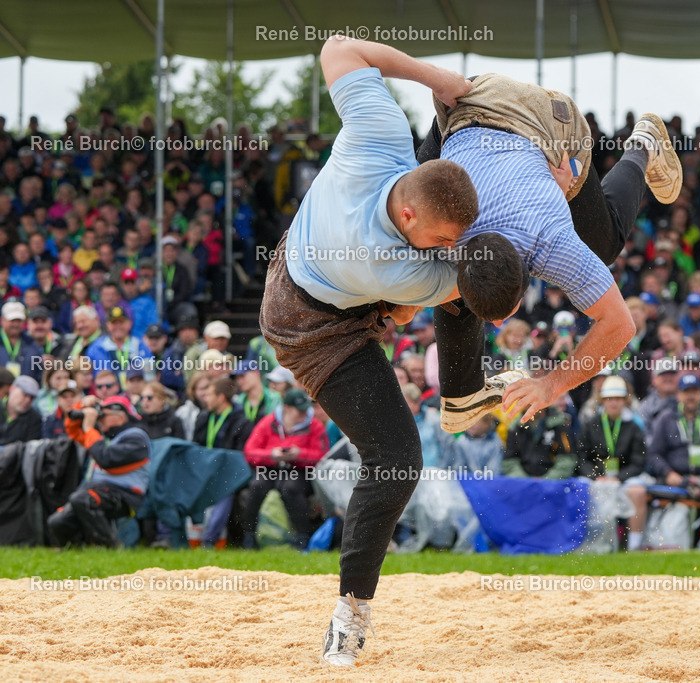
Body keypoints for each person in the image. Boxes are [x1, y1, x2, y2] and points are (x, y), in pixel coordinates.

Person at [257, 37, 479, 668]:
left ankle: (462, 395)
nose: (445, 247)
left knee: (447, 286)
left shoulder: (381, 130)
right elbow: (473, 291)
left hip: (322, 261)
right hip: (307, 325)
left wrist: (435, 78)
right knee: (397, 456)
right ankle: (349, 615)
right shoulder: (394, 265)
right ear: (408, 214)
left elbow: (337, 47)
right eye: (439, 239)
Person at [416, 64, 681, 436]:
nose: (497, 325)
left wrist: (550, 385)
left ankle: (643, 146)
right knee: (436, 255)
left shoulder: (552, 243)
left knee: (603, 247)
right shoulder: (443, 232)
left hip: (542, 120)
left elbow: (622, 325)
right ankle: (460, 395)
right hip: (469, 98)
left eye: (503, 315)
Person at [48, 395, 151, 547]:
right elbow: (74, 431)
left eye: (103, 415)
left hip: (125, 496)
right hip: (100, 492)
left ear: (120, 416)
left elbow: (106, 459)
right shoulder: (107, 437)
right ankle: (77, 552)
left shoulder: (137, 438)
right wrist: (80, 406)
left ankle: (113, 547)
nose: (99, 420)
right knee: (57, 522)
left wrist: (89, 428)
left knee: (82, 500)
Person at [241, 388, 329, 550]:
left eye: (305, 409)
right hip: (271, 468)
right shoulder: (268, 422)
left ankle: (303, 537)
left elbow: (321, 456)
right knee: (256, 486)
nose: (304, 413)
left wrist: (299, 454)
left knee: (291, 488)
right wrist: (272, 455)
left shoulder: (315, 426)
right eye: (299, 410)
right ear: (286, 408)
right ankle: (249, 536)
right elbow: (249, 452)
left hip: (301, 470)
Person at [575, 376, 649, 551]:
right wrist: (595, 476)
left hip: (624, 478)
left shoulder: (634, 426)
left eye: (617, 399)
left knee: (638, 492)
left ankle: (634, 545)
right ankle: (584, 541)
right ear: (602, 401)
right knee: (578, 488)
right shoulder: (591, 425)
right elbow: (581, 458)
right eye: (609, 399)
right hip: (597, 478)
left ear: (625, 401)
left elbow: (639, 461)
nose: (613, 403)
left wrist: (620, 478)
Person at [192, 376, 254, 548]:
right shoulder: (203, 418)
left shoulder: (242, 422)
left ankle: (209, 541)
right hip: (204, 470)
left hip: (229, 473)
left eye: (210, 394)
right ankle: (179, 539)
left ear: (221, 397)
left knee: (224, 489)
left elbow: (239, 458)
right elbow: (196, 447)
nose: (205, 398)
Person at [646, 373, 700, 484]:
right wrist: (667, 473)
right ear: (678, 394)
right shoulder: (666, 418)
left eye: (694, 391)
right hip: (675, 479)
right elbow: (654, 454)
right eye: (686, 392)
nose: (691, 396)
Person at [502, 394, 577, 479]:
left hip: (553, 483)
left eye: (533, 400)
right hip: (522, 484)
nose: (530, 404)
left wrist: (545, 481)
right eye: (526, 400)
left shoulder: (560, 425)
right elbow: (509, 460)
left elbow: (567, 458)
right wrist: (527, 482)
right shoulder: (514, 427)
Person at [0, 301, 44, 382]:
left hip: (26, 392)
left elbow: (38, 375)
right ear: (2, 320)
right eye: (12, 320)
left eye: (19, 320)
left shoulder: (32, 344)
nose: (16, 324)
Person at [0, 375, 43, 445]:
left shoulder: (34, 419)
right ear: (12, 389)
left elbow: (30, 449)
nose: (28, 400)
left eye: (32, 398)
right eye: (25, 394)